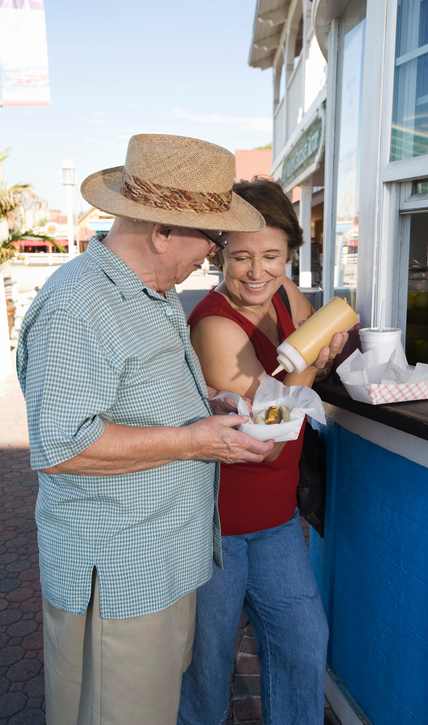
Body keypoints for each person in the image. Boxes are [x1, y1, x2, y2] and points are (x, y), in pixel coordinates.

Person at [16, 135, 275, 725]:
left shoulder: (148, 291)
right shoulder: (78, 306)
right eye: (211, 240)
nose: (212, 256)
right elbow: (63, 446)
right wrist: (195, 440)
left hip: (161, 564)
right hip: (120, 576)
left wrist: (206, 402)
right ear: (160, 231)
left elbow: (132, 397)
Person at [177, 177, 348, 725]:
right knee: (206, 671)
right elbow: (265, 441)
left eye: (272, 255)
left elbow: (315, 360)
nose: (257, 271)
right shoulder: (212, 326)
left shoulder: (283, 295)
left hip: (275, 519)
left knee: (303, 644)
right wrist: (313, 363)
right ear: (221, 250)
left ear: (291, 253)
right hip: (217, 528)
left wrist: (327, 349)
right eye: (242, 255)